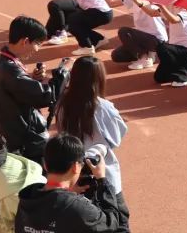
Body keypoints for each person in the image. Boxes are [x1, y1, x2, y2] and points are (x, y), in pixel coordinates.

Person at [54, 57, 130, 231]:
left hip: (76, 174)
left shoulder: (63, 105)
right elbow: (117, 137)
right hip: (103, 173)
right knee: (119, 221)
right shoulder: (103, 106)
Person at [0, 16, 63, 164]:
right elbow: (44, 96)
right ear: (25, 41)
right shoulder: (10, 69)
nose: (37, 49)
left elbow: (20, 91)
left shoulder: (1, 61)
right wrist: (62, 73)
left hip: (13, 137)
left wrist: (34, 80)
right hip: (24, 144)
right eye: (37, 44)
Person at [15, 133, 124, 233]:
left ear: (45, 165)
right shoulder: (78, 208)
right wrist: (101, 180)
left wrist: (65, 194)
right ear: (75, 167)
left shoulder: (27, 199)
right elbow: (111, 222)